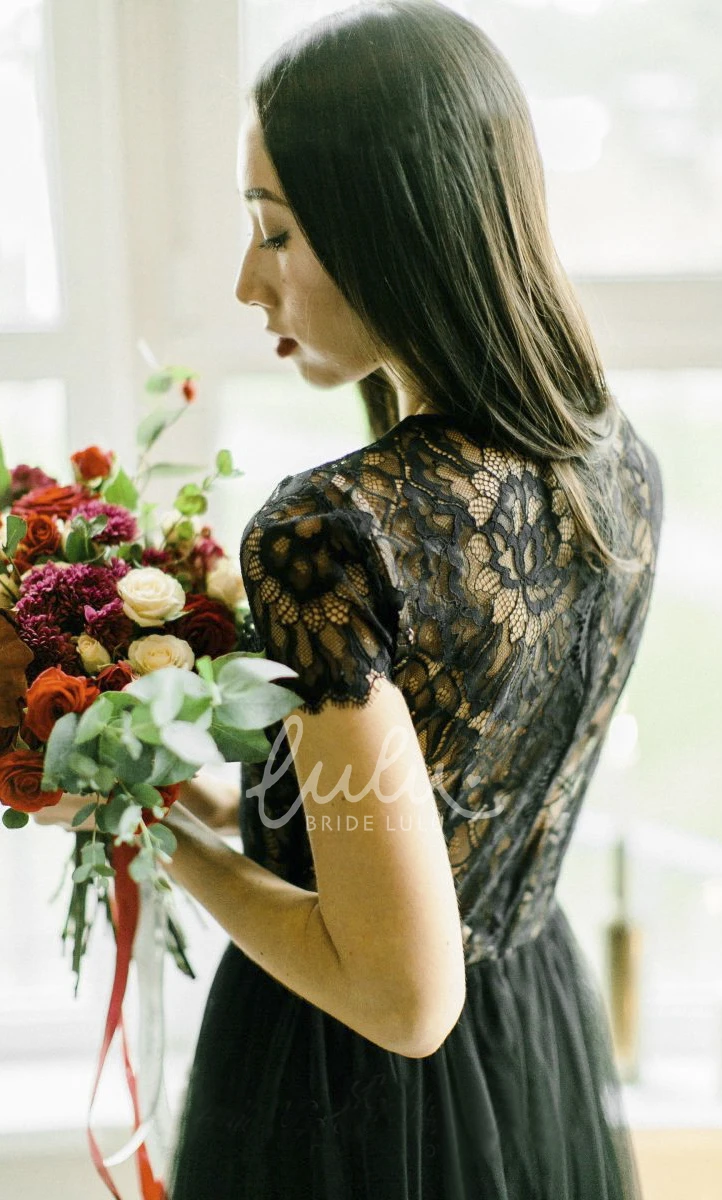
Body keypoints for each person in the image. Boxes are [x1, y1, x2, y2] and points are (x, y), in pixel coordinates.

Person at [45, 3, 664, 1197]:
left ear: (392, 229)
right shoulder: (613, 460)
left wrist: (148, 824)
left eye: (273, 232)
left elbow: (401, 996)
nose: (244, 282)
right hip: (529, 1044)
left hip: (351, 1108)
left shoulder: (331, 533)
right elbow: (429, 810)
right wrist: (206, 792)